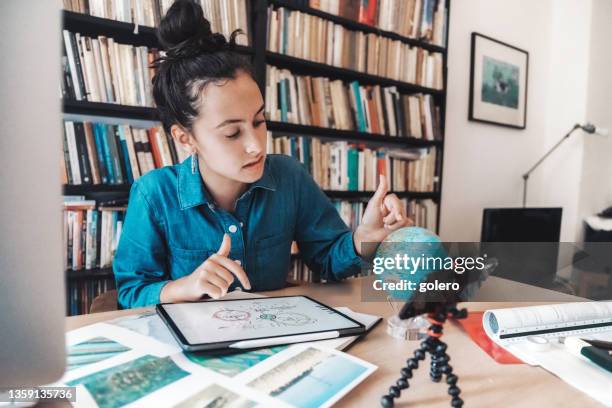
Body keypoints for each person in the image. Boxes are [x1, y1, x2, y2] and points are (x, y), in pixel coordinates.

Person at [113, 0, 413, 309]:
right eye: (232, 133)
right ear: (185, 138)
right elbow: (132, 291)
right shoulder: (154, 194)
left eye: (259, 121)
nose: (256, 144)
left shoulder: (288, 177)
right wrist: (183, 287)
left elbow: (328, 260)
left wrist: (364, 237)